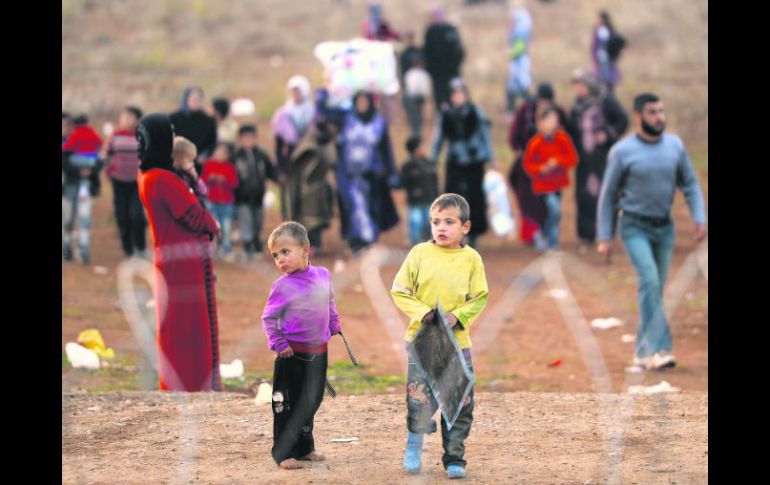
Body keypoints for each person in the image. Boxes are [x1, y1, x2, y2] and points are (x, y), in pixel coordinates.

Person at [596, 93, 706, 371]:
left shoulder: (675, 146)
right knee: (650, 282)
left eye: (661, 111)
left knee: (654, 288)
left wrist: (699, 217)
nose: (659, 117)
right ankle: (662, 348)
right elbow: (608, 196)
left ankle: (642, 351)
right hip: (633, 226)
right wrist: (605, 236)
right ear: (638, 116)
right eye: (653, 112)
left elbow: (690, 185)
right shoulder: (622, 151)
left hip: (664, 228)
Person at [391, 193, 489, 479]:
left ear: (465, 227)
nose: (441, 227)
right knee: (419, 400)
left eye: (449, 222)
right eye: (436, 222)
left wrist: (457, 316)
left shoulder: (471, 259)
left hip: (457, 346)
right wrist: (422, 312)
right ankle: (413, 447)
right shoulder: (419, 253)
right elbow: (399, 290)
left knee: (459, 401)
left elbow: (480, 297)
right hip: (422, 343)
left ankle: (455, 457)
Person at [136, 113, 223, 392]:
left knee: (178, 327)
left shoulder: (151, 176)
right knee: (187, 329)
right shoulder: (162, 179)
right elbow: (196, 216)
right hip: (182, 265)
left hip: (174, 261)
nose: (173, 140)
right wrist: (213, 225)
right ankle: (190, 384)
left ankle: (183, 383)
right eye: (169, 134)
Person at [261, 221, 342, 470]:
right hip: (291, 354)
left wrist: (334, 323)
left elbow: (329, 303)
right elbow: (269, 317)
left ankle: (305, 448)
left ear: (305, 249)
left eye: (285, 252)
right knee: (285, 404)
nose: (280, 260)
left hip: (318, 352)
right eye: (276, 256)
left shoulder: (323, 275)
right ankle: (283, 453)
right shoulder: (282, 286)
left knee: (311, 401)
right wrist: (278, 342)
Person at [568, 68, 628, 246]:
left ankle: (606, 232)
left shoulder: (605, 100)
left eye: (581, 85)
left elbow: (622, 120)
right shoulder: (577, 105)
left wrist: (607, 134)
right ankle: (587, 235)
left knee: (606, 193)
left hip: (603, 157)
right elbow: (572, 130)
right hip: (583, 159)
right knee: (584, 195)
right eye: (576, 86)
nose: (578, 89)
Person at [432, 78, 494, 247]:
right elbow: (438, 138)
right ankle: (454, 233)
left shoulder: (475, 112)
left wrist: (490, 157)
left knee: (475, 197)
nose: (458, 97)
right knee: (453, 199)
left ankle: (473, 233)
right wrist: (433, 158)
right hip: (455, 160)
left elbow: (484, 135)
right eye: (455, 94)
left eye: (460, 93)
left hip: (474, 161)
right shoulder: (445, 115)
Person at [336, 91, 399, 253]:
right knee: (352, 206)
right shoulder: (346, 121)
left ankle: (370, 239)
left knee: (372, 207)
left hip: (372, 175)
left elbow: (386, 149)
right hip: (349, 175)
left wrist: (391, 172)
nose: (362, 105)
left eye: (365, 102)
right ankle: (355, 240)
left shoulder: (379, 123)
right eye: (359, 102)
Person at [508, 82, 569, 245]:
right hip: (530, 171)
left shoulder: (558, 114)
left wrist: (557, 161)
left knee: (553, 208)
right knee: (530, 204)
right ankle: (536, 235)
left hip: (554, 174)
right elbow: (515, 138)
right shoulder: (526, 112)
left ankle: (550, 239)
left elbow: (569, 152)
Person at [522, 106, 579, 250]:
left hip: (558, 183)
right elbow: (528, 165)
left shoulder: (562, 138)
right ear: (540, 123)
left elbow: (573, 159)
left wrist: (558, 161)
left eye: (554, 119)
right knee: (554, 210)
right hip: (543, 185)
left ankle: (546, 237)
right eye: (548, 120)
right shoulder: (535, 143)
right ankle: (550, 241)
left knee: (554, 213)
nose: (552, 123)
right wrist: (541, 168)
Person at [282, 120, 337, 255]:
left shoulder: (326, 145)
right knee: (308, 222)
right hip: (306, 191)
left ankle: (315, 245)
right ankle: (308, 246)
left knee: (316, 222)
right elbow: (296, 174)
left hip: (319, 189)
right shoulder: (307, 147)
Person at [100, 106, 147, 259]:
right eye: (124, 117)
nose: (126, 120)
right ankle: (128, 250)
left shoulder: (142, 136)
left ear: (138, 119)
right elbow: (105, 154)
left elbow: (149, 157)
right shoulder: (115, 136)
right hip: (119, 182)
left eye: (130, 117)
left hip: (137, 182)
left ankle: (140, 247)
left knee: (137, 215)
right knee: (122, 216)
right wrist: (108, 170)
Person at [62, 114, 103, 264]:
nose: (65, 129)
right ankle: (66, 245)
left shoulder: (81, 139)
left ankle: (83, 247)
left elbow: (98, 160)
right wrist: (79, 171)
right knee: (67, 219)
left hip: (84, 185)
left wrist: (90, 171)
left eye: (67, 125)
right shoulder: (69, 144)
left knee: (85, 217)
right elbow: (65, 164)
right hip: (67, 187)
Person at [233, 124, 276, 258]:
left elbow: (270, 170)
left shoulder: (261, 155)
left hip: (258, 195)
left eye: (251, 138)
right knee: (246, 221)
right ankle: (248, 246)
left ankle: (257, 244)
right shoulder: (236, 157)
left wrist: (278, 178)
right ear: (240, 139)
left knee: (258, 221)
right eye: (245, 138)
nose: (248, 141)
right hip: (242, 197)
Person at [201, 142, 239, 260]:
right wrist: (210, 178)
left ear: (228, 155)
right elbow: (202, 181)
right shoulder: (208, 165)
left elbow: (235, 183)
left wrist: (224, 180)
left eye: (223, 152)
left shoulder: (230, 167)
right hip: (212, 201)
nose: (219, 154)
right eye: (218, 151)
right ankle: (214, 249)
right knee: (213, 227)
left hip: (227, 203)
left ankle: (227, 249)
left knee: (226, 227)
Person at [423, 6, 465, 111]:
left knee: (451, 94)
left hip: (448, 71)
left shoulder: (449, 30)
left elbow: (459, 50)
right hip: (441, 72)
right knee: (443, 96)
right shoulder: (431, 31)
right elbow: (427, 51)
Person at [399, 136, 439, 245]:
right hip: (415, 200)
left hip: (430, 199)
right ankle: (414, 242)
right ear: (416, 149)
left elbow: (434, 182)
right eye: (422, 146)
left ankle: (427, 241)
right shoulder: (408, 166)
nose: (424, 148)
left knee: (428, 222)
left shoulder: (429, 163)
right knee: (416, 222)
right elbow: (402, 183)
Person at [169, 86, 218, 172]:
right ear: (186, 99)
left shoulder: (208, 121)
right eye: (193, 99)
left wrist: (204, 155)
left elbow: (212, 142)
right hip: (177, 162)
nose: (195, 102)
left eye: (198, 99)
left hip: (198, 162)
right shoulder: (173, 118)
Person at [506, 0, 533, 113]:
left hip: (520, 59)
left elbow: (520, 45)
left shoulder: (521, 23)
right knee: (513, 85)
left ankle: (530, 107)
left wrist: (511, 54)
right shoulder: (520, 21)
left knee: (522, 84)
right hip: (518, 59)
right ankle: (512, 109)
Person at [591, 10, 624, 93]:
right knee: (600, 80)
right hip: (600, 59)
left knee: (609, 80)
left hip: (608, 58)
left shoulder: (610, 31)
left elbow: (616, 42)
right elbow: (594, 46)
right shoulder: (597, 31)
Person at [172, 136, 208, 206]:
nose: (192, 163)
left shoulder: (189, 174)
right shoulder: (173, 174)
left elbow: (204, 192)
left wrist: (195, 177)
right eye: (189, 160)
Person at [403, 59, 432, 138]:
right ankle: (415, 131)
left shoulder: (423, 75)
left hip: (419, 98)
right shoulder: (410, 74)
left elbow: (425, 89)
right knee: (414, 115)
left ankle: (417, 131)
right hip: (412, 98)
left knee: (417, 115)